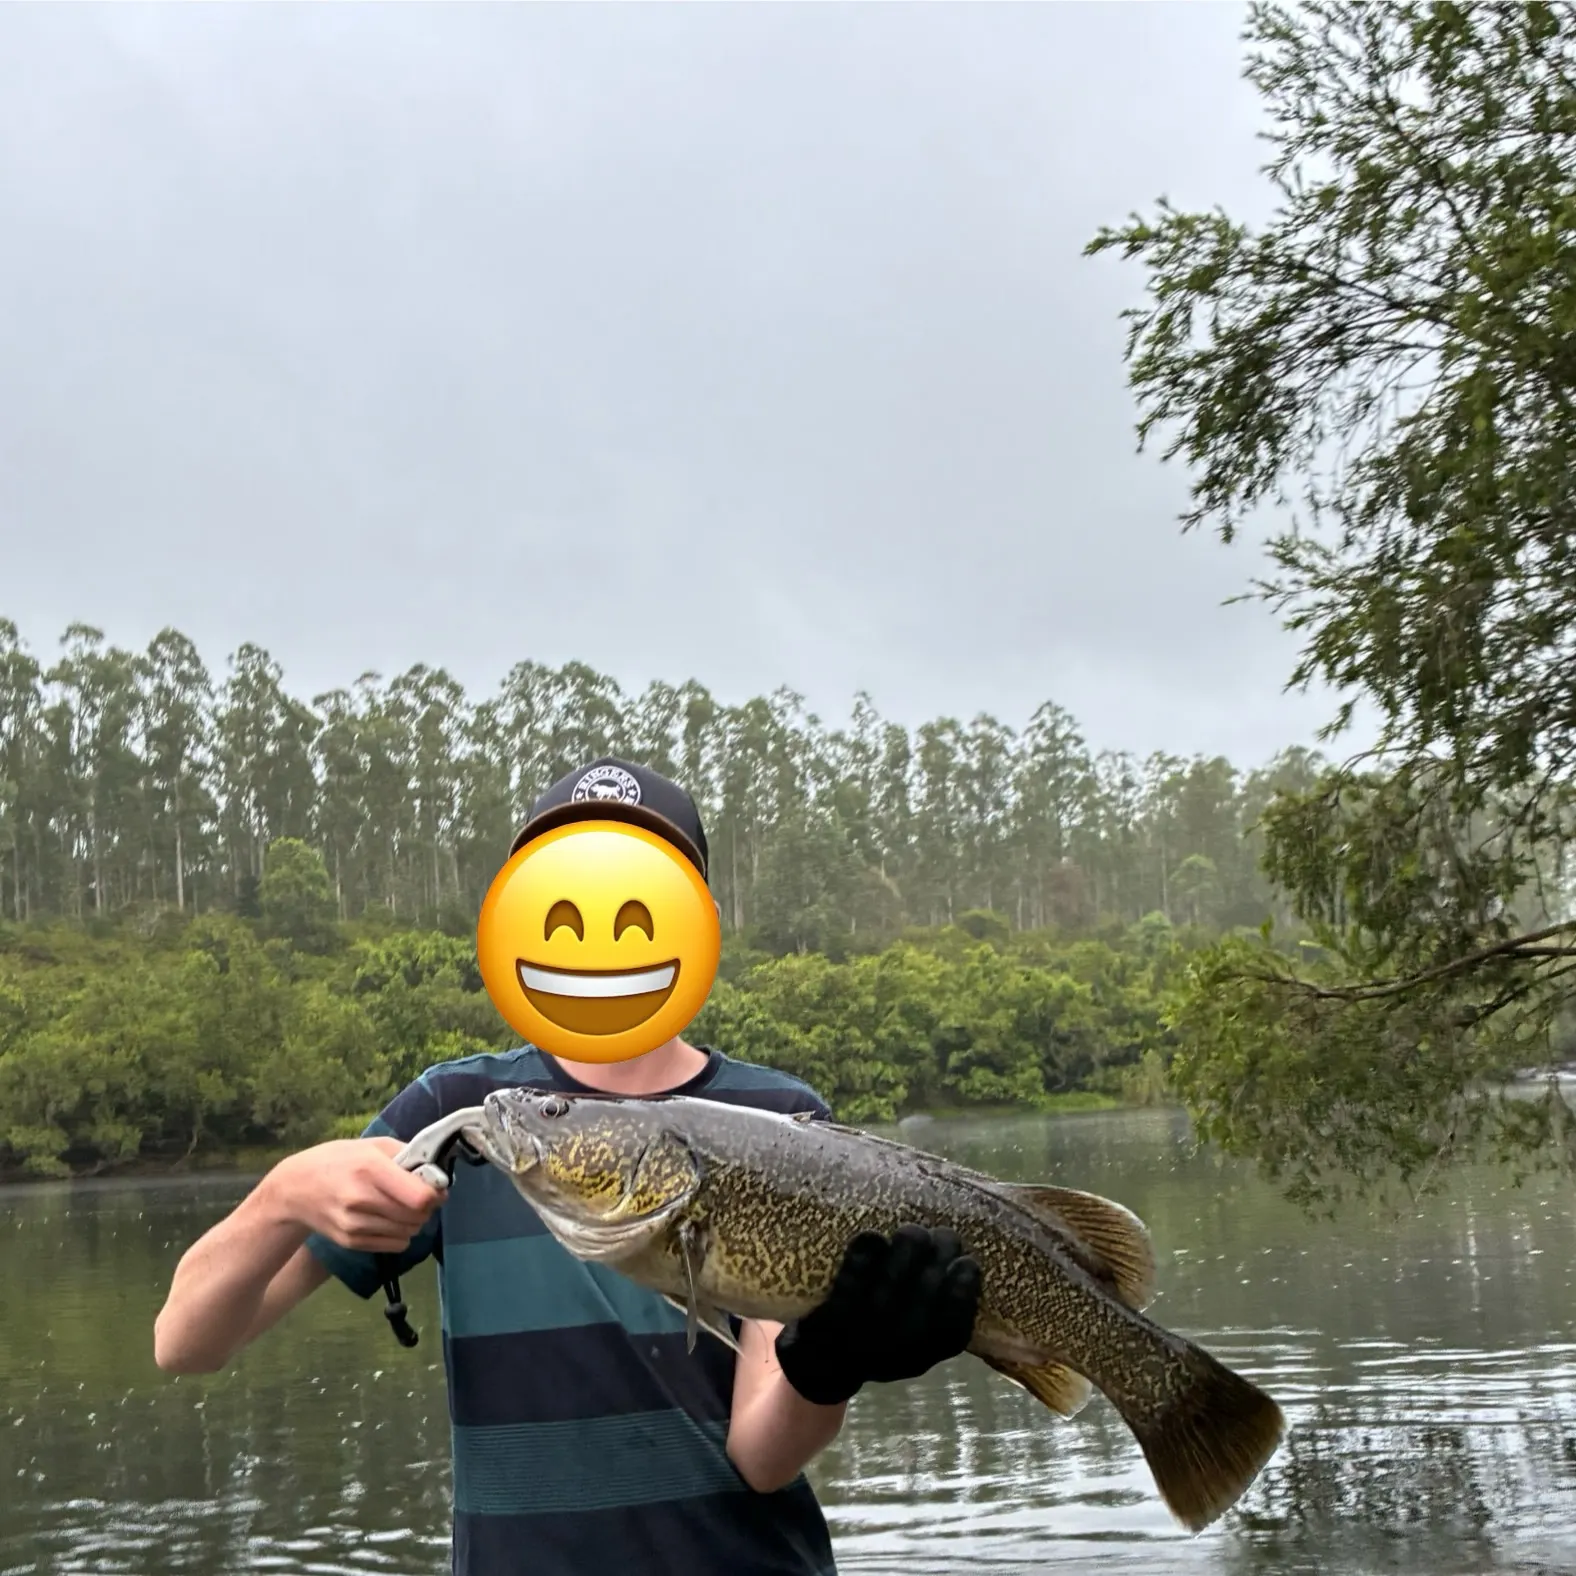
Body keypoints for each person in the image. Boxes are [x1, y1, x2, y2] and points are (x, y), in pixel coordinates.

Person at [154, 757, 981, 1576]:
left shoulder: (773, 1118)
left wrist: (827, 1367)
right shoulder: (457, 1110)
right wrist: (283, 1195)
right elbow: (185, 1342)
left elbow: (764, 1457)